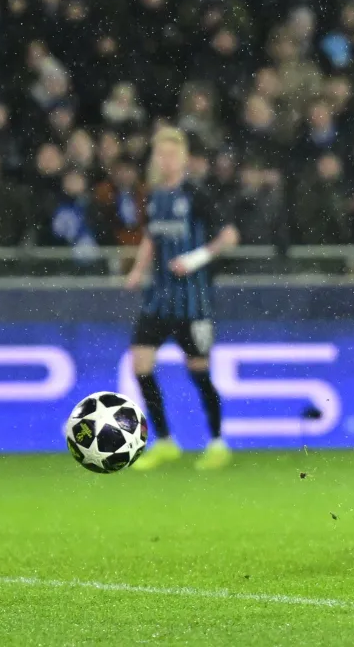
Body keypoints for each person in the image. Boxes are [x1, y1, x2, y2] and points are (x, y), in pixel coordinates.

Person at [124, 127, 240, 471]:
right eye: (161, 154)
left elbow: (230, 236)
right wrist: (136, 270)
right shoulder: (155, 196)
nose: (166, 159)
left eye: (172, 154)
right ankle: (164, 441)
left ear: (184, 158)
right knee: (140, 364)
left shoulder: (196, 194)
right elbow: (151, 238)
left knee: (199, 371)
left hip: (193, 303)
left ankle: (218, 442)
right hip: (158, 300)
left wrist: (194, 260)